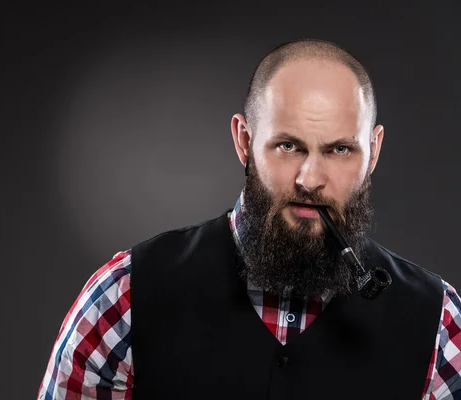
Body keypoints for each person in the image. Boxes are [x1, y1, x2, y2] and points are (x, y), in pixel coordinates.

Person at [37, 39, 461, 400]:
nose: (310, 179)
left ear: (374, 152)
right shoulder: (124, 297)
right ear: (244, 141)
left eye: (339, 150)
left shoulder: (438, 323)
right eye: (288, 146)